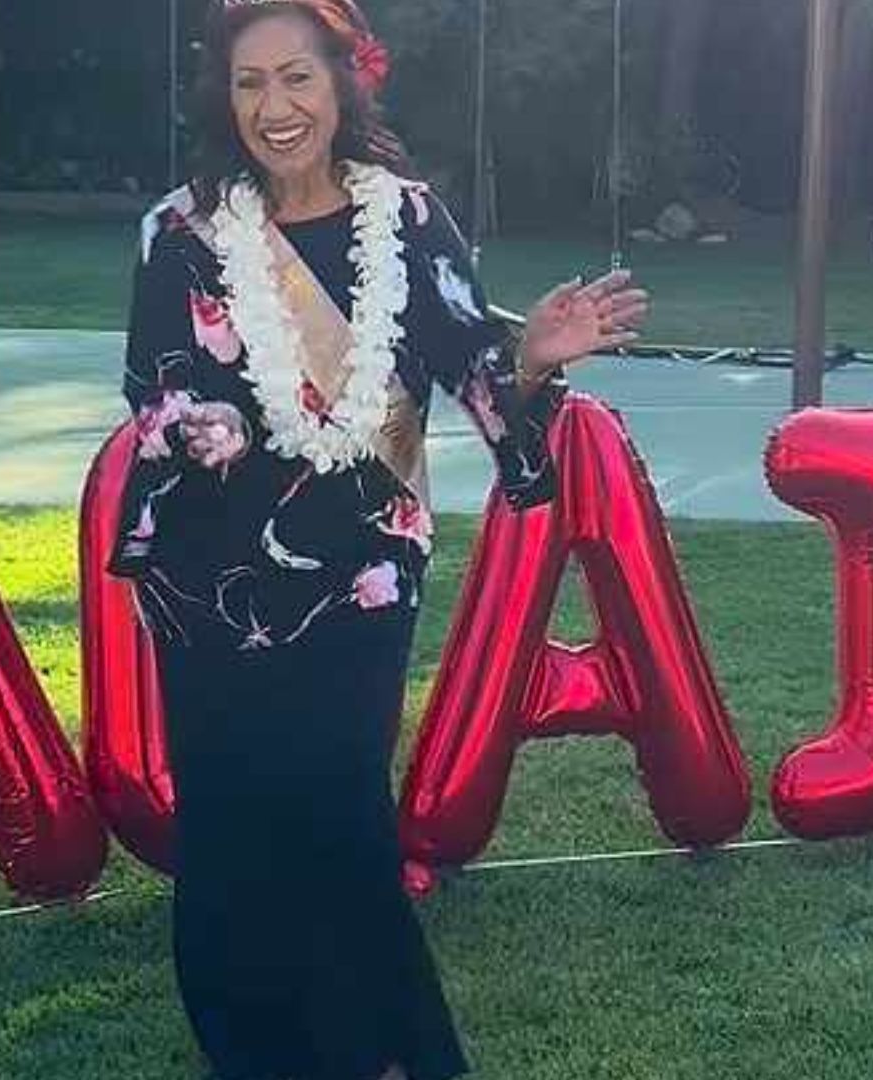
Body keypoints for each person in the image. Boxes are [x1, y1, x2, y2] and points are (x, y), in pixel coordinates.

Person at [106, 1, 647, 1076]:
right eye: (251, 82)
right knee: (228, 840)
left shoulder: (407, 221)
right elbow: (155, 404)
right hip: (211, 586)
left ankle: (395, 1059)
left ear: (346, 81)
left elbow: (476, 378)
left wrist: (533, 358)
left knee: (344, 825)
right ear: (226, 96)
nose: (276, 106)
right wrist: (223, 428)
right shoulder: (184, 232)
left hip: (359, 579)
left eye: (297, 78)